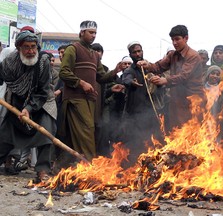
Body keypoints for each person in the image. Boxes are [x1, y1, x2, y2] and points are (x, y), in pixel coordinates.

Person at [58, 20, 122, 162]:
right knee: (87, 129)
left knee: (85, 131)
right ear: (82, 32)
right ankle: (90, 165)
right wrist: (81, 83)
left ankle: (71, 165)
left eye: (95, 33)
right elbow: (63, 72)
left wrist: (115, 71)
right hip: (75, 98)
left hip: (90, 99)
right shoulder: (73, 49)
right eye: (91, 32)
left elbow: (101, 77)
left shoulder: (94, 55)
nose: (93, 36)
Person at [0, 30, 57, 182]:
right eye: (26, 47)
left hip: (42, 103)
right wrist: (22, 109)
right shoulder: (9, 63)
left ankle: (43, 170)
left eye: (33, 46)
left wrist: (29, 109)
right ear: (19, 48)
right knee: (5, 135)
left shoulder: (43, 61)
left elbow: (43, 91)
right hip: (17, 104)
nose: (31, 51)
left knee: (46, 133)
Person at [138, 25, 205, 132]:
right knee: (176, 133)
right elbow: (159, 66)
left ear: (186, 38)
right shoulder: (173, 55)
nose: (174, 43)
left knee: (192, 133)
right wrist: (147, 65)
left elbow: (183, 76)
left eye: (177, 39)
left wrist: (165, 81)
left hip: (192, 101)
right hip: (176, 100)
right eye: (172, 40)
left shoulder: (193, 56)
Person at [121, 41, 162, 167]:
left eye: (139, 51)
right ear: (130, 54)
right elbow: (126, 79)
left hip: (151, 112)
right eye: (134, 52)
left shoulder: (150, 68)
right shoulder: (130, 71)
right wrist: (131, 82)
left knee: (152, 143)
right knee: (137, 144)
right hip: (135, 115)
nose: (138, 54)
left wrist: (158, 81)